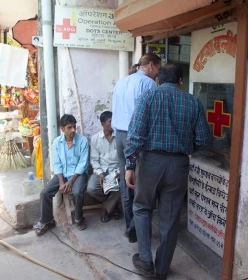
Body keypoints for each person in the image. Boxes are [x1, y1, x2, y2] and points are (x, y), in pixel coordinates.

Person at [124, 64, 213, 279]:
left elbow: (135, 135)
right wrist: (185, 148)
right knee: (170, 218)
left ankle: (145, 261)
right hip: (179, 165)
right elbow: (203, 140)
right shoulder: (193, 102)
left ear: (158, 80)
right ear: (180, 81)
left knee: (142, 208)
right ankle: (162, 269)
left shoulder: (148, 97)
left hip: (151, 162)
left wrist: (130, 165)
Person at [112, 53, 162, 243]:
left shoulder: (121, 82)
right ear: (150, 65)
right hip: (137, 138)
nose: (157, 74)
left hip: (120, 136)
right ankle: (138, 230)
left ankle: (130, 227)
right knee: (141, 186)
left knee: (127, 184)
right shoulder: (148, 84)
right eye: (157, 69)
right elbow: (151, 116)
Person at [33, 114, 89, 235]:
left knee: (77, 192)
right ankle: (47, 221)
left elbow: (83, 164)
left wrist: (71, 181)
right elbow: (57, 164)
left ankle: (79, 218)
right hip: (62, 174)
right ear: (62, 129)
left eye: (74, 127)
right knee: (45, 193)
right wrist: (62, 182)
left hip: (78, 175)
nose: (73, 130)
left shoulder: (83, 141)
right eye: (69, 127)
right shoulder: (57, 143)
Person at [87, 111, 120, 223]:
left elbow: (124, 158)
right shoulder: (96, 139)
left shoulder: (119, 137)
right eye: (110, 121)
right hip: (102, 170)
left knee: (120, 186)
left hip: (116, 171)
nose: (113, 123)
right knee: (91, 188)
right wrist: (100, 173)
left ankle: (106, 209)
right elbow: (94, 160)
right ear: (103, 123)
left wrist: (119, 172)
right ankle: (112, 204)